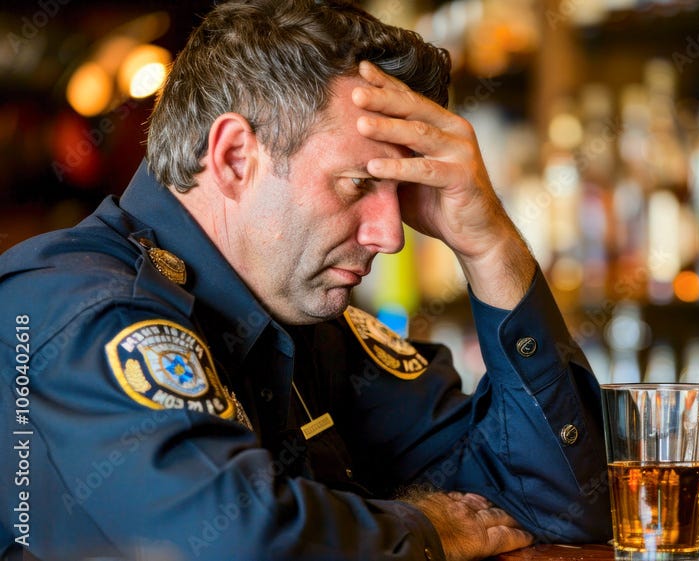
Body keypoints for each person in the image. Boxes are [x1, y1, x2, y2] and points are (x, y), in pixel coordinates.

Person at [0, 1, 611, 560]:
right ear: (236, 157)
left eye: (402, 192)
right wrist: (429, 529)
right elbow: (239, 543)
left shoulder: (309, 321)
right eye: (359, 184)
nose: (391, 234)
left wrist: (490, 243)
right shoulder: (78, 305)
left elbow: (561, 502)